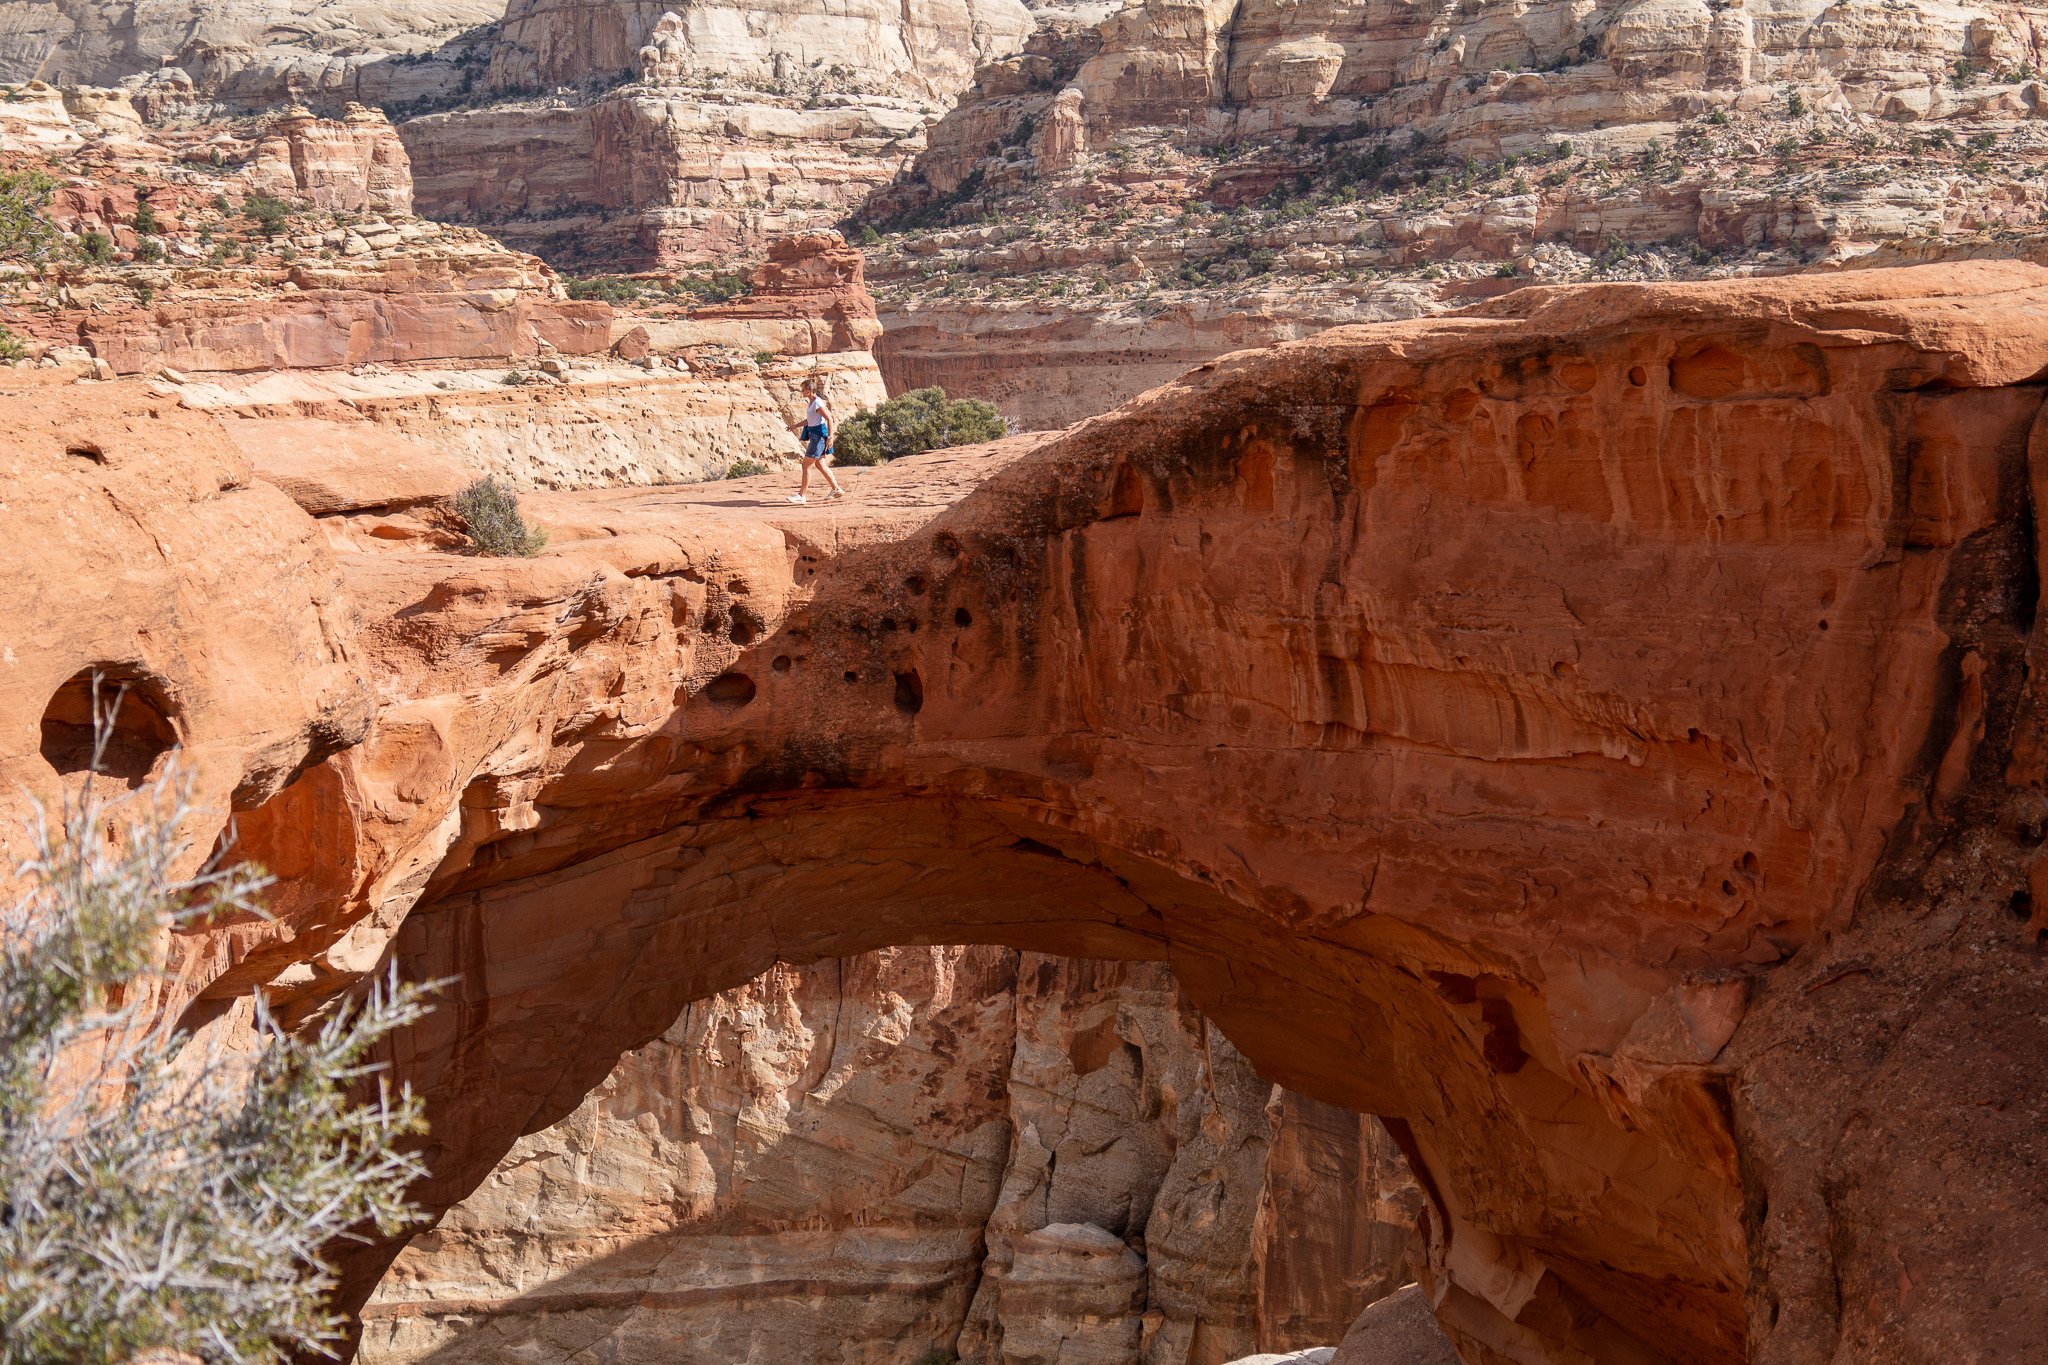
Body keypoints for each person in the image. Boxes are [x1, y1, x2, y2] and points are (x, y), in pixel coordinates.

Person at [786, 378, 846, 504]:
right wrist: (794, 426)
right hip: (816, 435)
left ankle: (801, 496)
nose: (801, 392)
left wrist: (830, 438)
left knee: (806, 465)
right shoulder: (812, 403)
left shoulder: (817, 403)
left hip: (819, 437)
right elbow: (810, 420)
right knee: (820, 464)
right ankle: (836, 489)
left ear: (809, 390)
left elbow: (829, 419)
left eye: (803, 389)